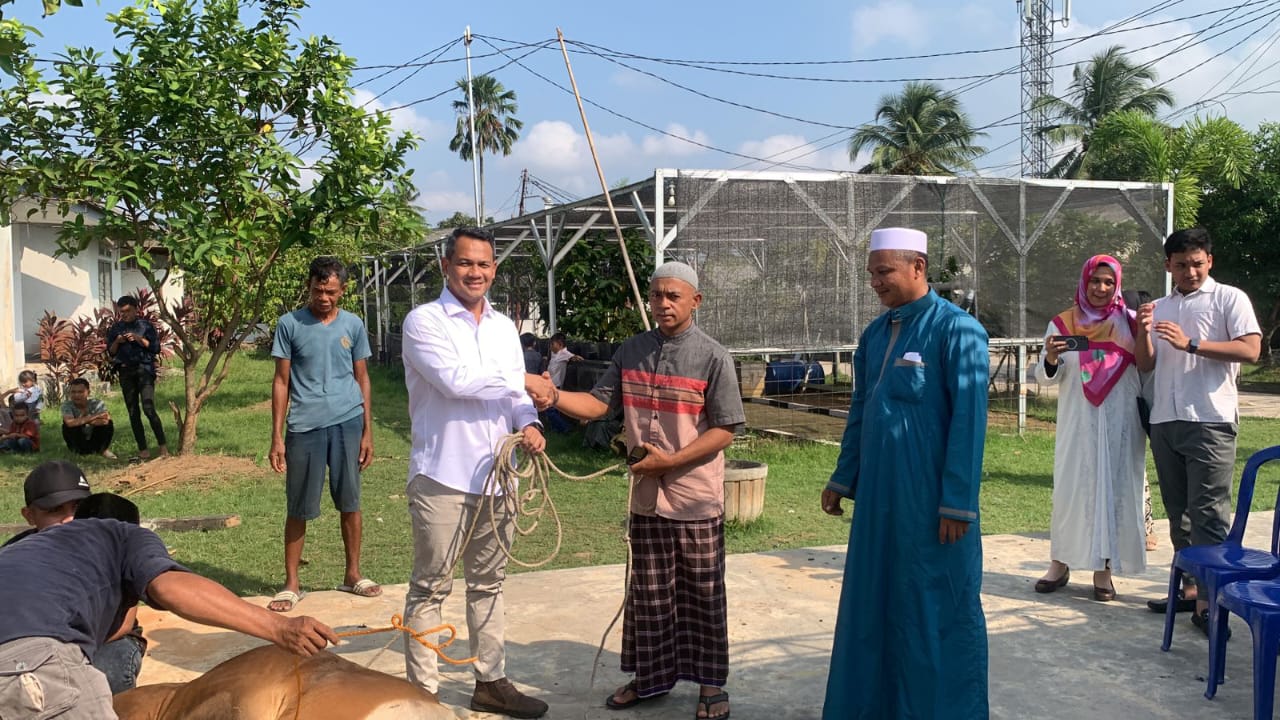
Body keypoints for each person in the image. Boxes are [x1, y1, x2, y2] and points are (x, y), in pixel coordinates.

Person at [526, 261, 745, 720]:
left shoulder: (713, 356)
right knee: (648, 592)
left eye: (674, 297)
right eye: (657, 295)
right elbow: (600, 404)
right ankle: (652, 677)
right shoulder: (632, 351)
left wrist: (670, 462)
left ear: (695, 301)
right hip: (646, 498)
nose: (663, 304)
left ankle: (710, 685)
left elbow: (725, 430)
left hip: (696, 499)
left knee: (702, 592)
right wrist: (553, 396)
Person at [0, 460, 339, 719]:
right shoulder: (118, 533)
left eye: (75, 508)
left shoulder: (13, 550)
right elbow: (172, 587)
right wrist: (279, 627)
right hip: (31, 663)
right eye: (56, 510)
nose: (68, 519)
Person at [820, 228, 989, 719]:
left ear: (918, 267)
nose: (875, 282)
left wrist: (956, 502)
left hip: (931, 506)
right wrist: (842, 477)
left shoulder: (957, 330)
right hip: (878, 501)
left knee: (934, 611)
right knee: (873, 608)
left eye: (884, 271)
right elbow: (860, 411)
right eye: (871, 272)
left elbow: (969, 423)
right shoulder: (875, 335)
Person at [400, 227, 549, 719]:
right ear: (446, 266)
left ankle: (491, 681)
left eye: (484, 264)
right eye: (465, 263)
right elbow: (454, 381)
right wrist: (524, 379)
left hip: (497, 476)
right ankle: (423, 695)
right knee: (431, 587)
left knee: (489, 584)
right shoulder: (424, 322)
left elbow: (511, 397)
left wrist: (528, 422)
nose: (475, 273)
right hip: (443, 475)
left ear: (494, 269)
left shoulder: (505, 327)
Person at [1137, 228, 1262, 633]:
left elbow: (1250, 349)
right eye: (1180, 264)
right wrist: (1144, 332)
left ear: (1210, 260)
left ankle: (1212, 603)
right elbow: (1146, 364)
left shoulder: (1229, 298)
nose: (1190, 271)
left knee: (1209, 514)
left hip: (1209, 418)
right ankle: (1189, 590)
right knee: (1180, 515)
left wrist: (1193, 344)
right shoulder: (1160, 307)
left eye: (1197, 262)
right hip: (1166, 420)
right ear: (1167, 265)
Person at [268, 256, 378, 613]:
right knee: (299, 505)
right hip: (304, 426)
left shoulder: (353, 325)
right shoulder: (289, 324)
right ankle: (291, 583)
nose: (324, 297)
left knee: (350, 500)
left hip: (347, 420)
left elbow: (362, 378)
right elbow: (281, 381)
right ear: (309, 287)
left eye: (331, 291)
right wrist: (277, 437)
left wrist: (367, 432)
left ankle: (353, 574)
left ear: (342, 290)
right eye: (318, 290)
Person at [1033, 255, 1146, 602]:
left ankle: (1104, 570)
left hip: (1120, 424)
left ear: (1117, 286)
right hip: (1077, 424)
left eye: (1108, 282)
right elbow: (1042, 376)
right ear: (1084, 282)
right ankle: (1060, 562)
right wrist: (1051, 358)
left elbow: (1147, 368)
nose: (1101, 288)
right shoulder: (1063, 323)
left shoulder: (1130, 323)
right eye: (1095, 281)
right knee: (1070, 491)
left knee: (1114, 492)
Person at [106, 295, 169, 460]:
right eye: (122, 312)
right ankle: (143, 450)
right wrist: (118, 341)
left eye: (128, 311)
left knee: (148, 409)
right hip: (126, 372)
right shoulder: (116, 328)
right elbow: (111, 351)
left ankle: (163, 447)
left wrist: (139, 339)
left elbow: (155, 348)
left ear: (136, 309)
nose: (124, 315)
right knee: (133, 411)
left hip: (144, 370)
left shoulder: (145, 326)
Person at [61, 377, 116, 458]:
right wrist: (95, 416)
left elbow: (105, 421)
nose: (76, 395)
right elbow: (70, 423)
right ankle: (79, 452)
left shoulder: (97, 403)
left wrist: (81, 420)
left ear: (88, 392)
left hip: (95, 437)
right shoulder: (67, 405)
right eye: (73, 392)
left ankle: (103, 450)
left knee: (108, 424)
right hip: (78, 440)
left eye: (80, 392)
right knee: (67, 426)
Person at [541, 333, 581, 434]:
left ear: (560, 344)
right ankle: (558, 428)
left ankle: (565, 428)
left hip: (556, 385)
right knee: (553, 409)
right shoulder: (555, 355)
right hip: (550, 384)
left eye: (552, 344)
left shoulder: (564, 354)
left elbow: (574, 357)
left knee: (549, 410)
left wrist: (576, 358)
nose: (550, 346)